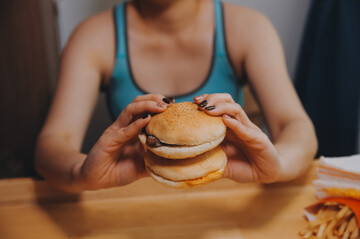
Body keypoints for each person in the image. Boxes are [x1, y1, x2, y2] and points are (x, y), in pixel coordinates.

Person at [35, 0, 317, 192]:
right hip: (134, 201)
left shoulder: (249, 28)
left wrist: (277, 165)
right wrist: (79, 173)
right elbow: (52, 143)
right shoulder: (93, 37)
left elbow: (294, 126)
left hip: (230, 201)